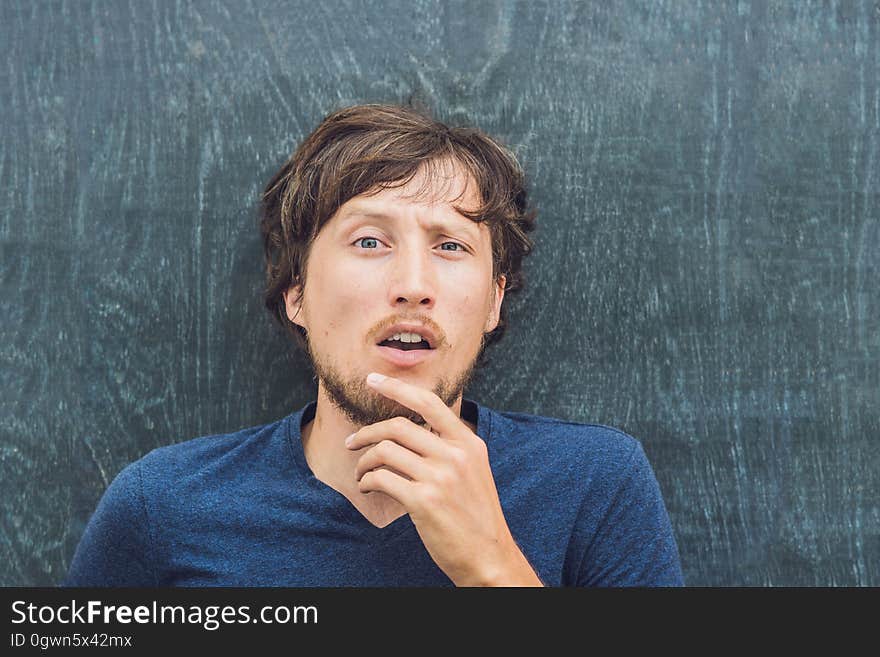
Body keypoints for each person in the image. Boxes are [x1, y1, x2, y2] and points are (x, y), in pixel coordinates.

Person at [64, 103, 685, 587]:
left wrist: (493, 570)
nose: (413, 287)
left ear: (494, 300)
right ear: (297, 294)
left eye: (451, 246)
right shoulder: (162, 506)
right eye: (369, 242)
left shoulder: (597, 484)